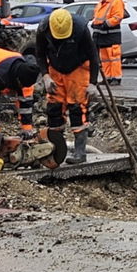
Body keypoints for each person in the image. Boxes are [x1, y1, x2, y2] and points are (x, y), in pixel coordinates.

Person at [36, 9, 102, 165]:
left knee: (78, 108)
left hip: (78, 68)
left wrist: (93, 83)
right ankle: (56, 150)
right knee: (54, 109)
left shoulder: (80, 28)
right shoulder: (43, 28)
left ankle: (80, 152)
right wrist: (45, 76)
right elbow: (40, 54)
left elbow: (93, 56)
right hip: (55, 69)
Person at [92, 0, 125, 86]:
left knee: (113, 57)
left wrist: (106, 24)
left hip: (111, 33)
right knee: (105, 58)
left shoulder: (116, 0)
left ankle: (116, 77)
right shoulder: (102, 0)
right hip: (102, 33)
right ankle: (108, 78)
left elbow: (118, 16)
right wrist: (94, 22)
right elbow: (97, 14)